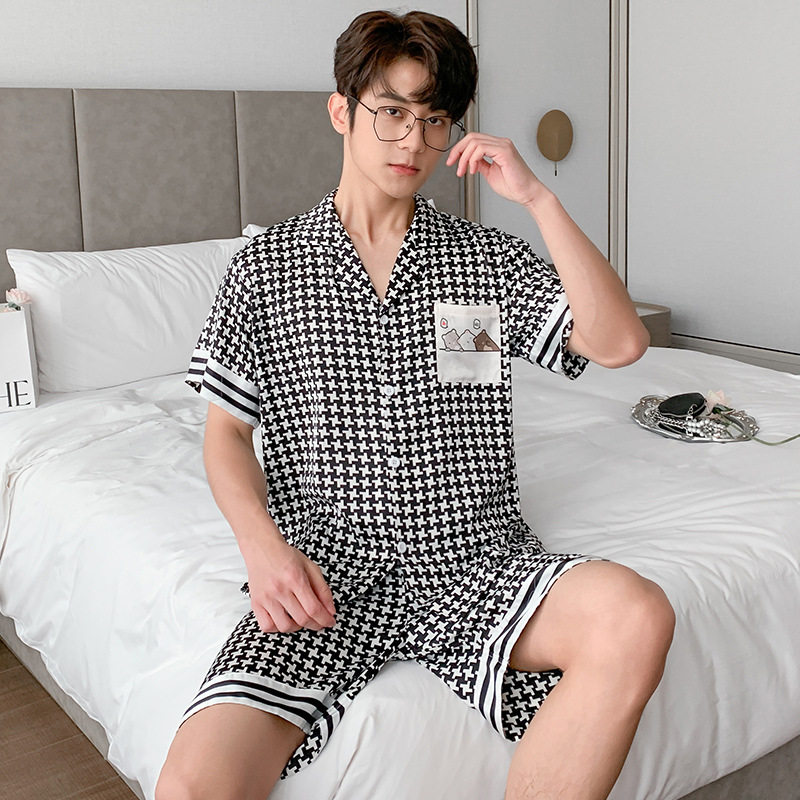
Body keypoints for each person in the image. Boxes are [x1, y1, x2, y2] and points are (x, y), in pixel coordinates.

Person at [156, 9, 675, 800]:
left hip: (473, 562)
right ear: (342, 111)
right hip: (325, 578)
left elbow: (620, 343)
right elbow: (226, 434)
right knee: (194, 787)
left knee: (636, 616)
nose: (413, 141)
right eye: (392, 112)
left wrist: (536, 198)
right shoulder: (265, 269)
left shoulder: (482, 259)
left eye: (435, 120)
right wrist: (262, 550)